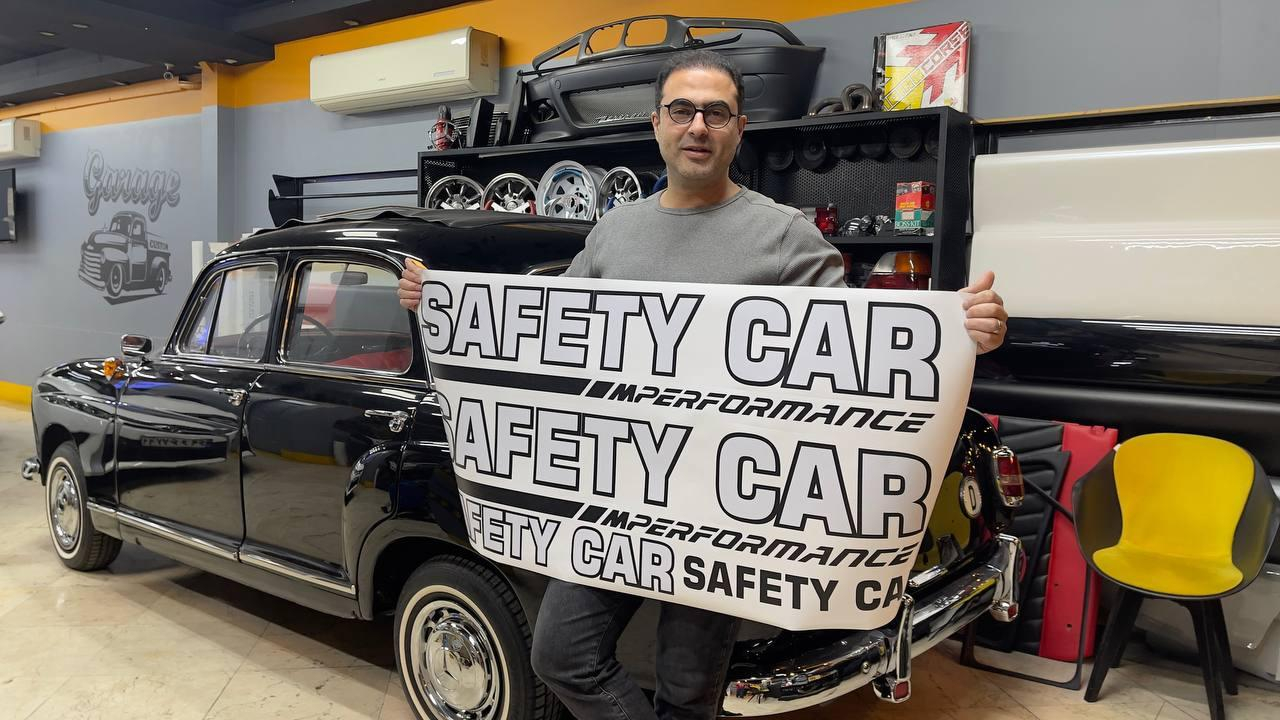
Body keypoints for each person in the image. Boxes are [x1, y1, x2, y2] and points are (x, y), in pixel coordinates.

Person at [398, 49, 1008, 720]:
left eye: (716, 113)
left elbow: (857, 352)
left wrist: (960, 332)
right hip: (615, 491)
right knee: (562, 655)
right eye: (682, 110)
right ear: (657, 123)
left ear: (738, 130)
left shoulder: (784, 236)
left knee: (688, 689)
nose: (698, 126)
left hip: (721, 514)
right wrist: (445, 303)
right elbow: (545, 333)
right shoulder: (613, 233)